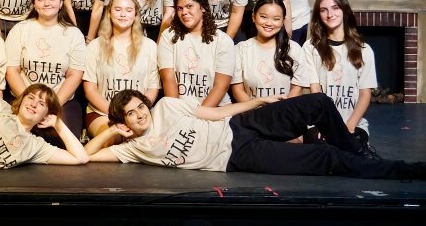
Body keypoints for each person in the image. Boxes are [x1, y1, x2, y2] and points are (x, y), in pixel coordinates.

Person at [83, 89, 424, 180]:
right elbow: (86, 156)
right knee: (326, 158)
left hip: (239, 126)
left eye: (140, 105)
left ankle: (358, 150)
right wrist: (113, 131)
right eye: (131, 113)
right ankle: (402, 170)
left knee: (317, 104)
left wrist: (257, 102)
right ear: (125, 121)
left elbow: (216, 113)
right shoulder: (133, 149)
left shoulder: (168, 106)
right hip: (236, 158)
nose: (140, 112)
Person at [5, 0, 86, 143]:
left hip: (59, 100)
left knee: (62, 140)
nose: (46, 3)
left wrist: (49, 106)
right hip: (22, 98)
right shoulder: (21, 29)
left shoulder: (73, 34)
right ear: (34, 4)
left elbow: (74, 75)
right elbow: (12, 71)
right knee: (11, 137)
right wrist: (29, 104)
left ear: (61, 2)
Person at [303, 0, 378, 154]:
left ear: (344, 10)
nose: (330, 14)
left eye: (335, 8)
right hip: (321, 123)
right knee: (323, 152)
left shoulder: (364, 50)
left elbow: (365, 94)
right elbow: (315, 92)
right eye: (324, 10)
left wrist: (349, 126)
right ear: (318, 15)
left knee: (354, 150)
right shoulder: (310, 47)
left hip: (353, 123)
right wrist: (323, 125)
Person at [83, 0, 160, 139]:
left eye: (128, 10)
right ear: (109, 14)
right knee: (114, 139)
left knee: (153, 140)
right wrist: (119, 115)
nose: (123, 14)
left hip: (139, 115)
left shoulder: (150, 47)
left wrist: (135, 114)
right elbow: (90, 90)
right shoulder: (95, 46)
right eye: (118, 10)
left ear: (136, 15)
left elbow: (152, 88)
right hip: (103, 112)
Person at [157, 0, 236, 107]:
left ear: (203, 7)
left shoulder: (223, 41)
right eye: (179, 8)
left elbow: (221, 86)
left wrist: (200, 115)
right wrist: (178, 113)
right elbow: (168, 79)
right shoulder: (168, 36)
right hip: (180, 109)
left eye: (189, 6)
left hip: (215, 109)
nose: (184, 12)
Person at [231, 0, 307, 102]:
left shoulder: (294, 49)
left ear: (282, 21)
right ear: (253, 17)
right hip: (252, 114)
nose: (269, 23)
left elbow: (297, 89)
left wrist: (280, 113)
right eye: (263, 17)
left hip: (285, 114)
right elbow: (237, 90)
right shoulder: (240, 50)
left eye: (276, 19)